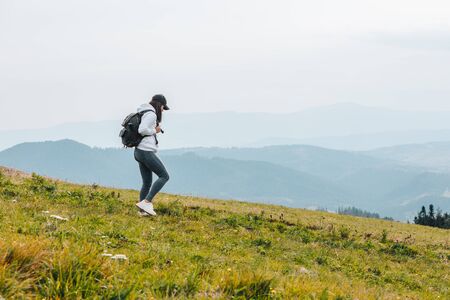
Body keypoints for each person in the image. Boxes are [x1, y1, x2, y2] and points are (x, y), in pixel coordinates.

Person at [134, 94, 170, 216]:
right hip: (146, 151)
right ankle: (146, 202)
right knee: (164, 176)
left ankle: (142, 211)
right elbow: (142, 129)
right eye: (163, 108)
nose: (163, 111)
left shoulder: (144, 111)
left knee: (147, 182)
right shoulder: (151, 114)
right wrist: (156, 130)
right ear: (160, 104)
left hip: (139, 151)